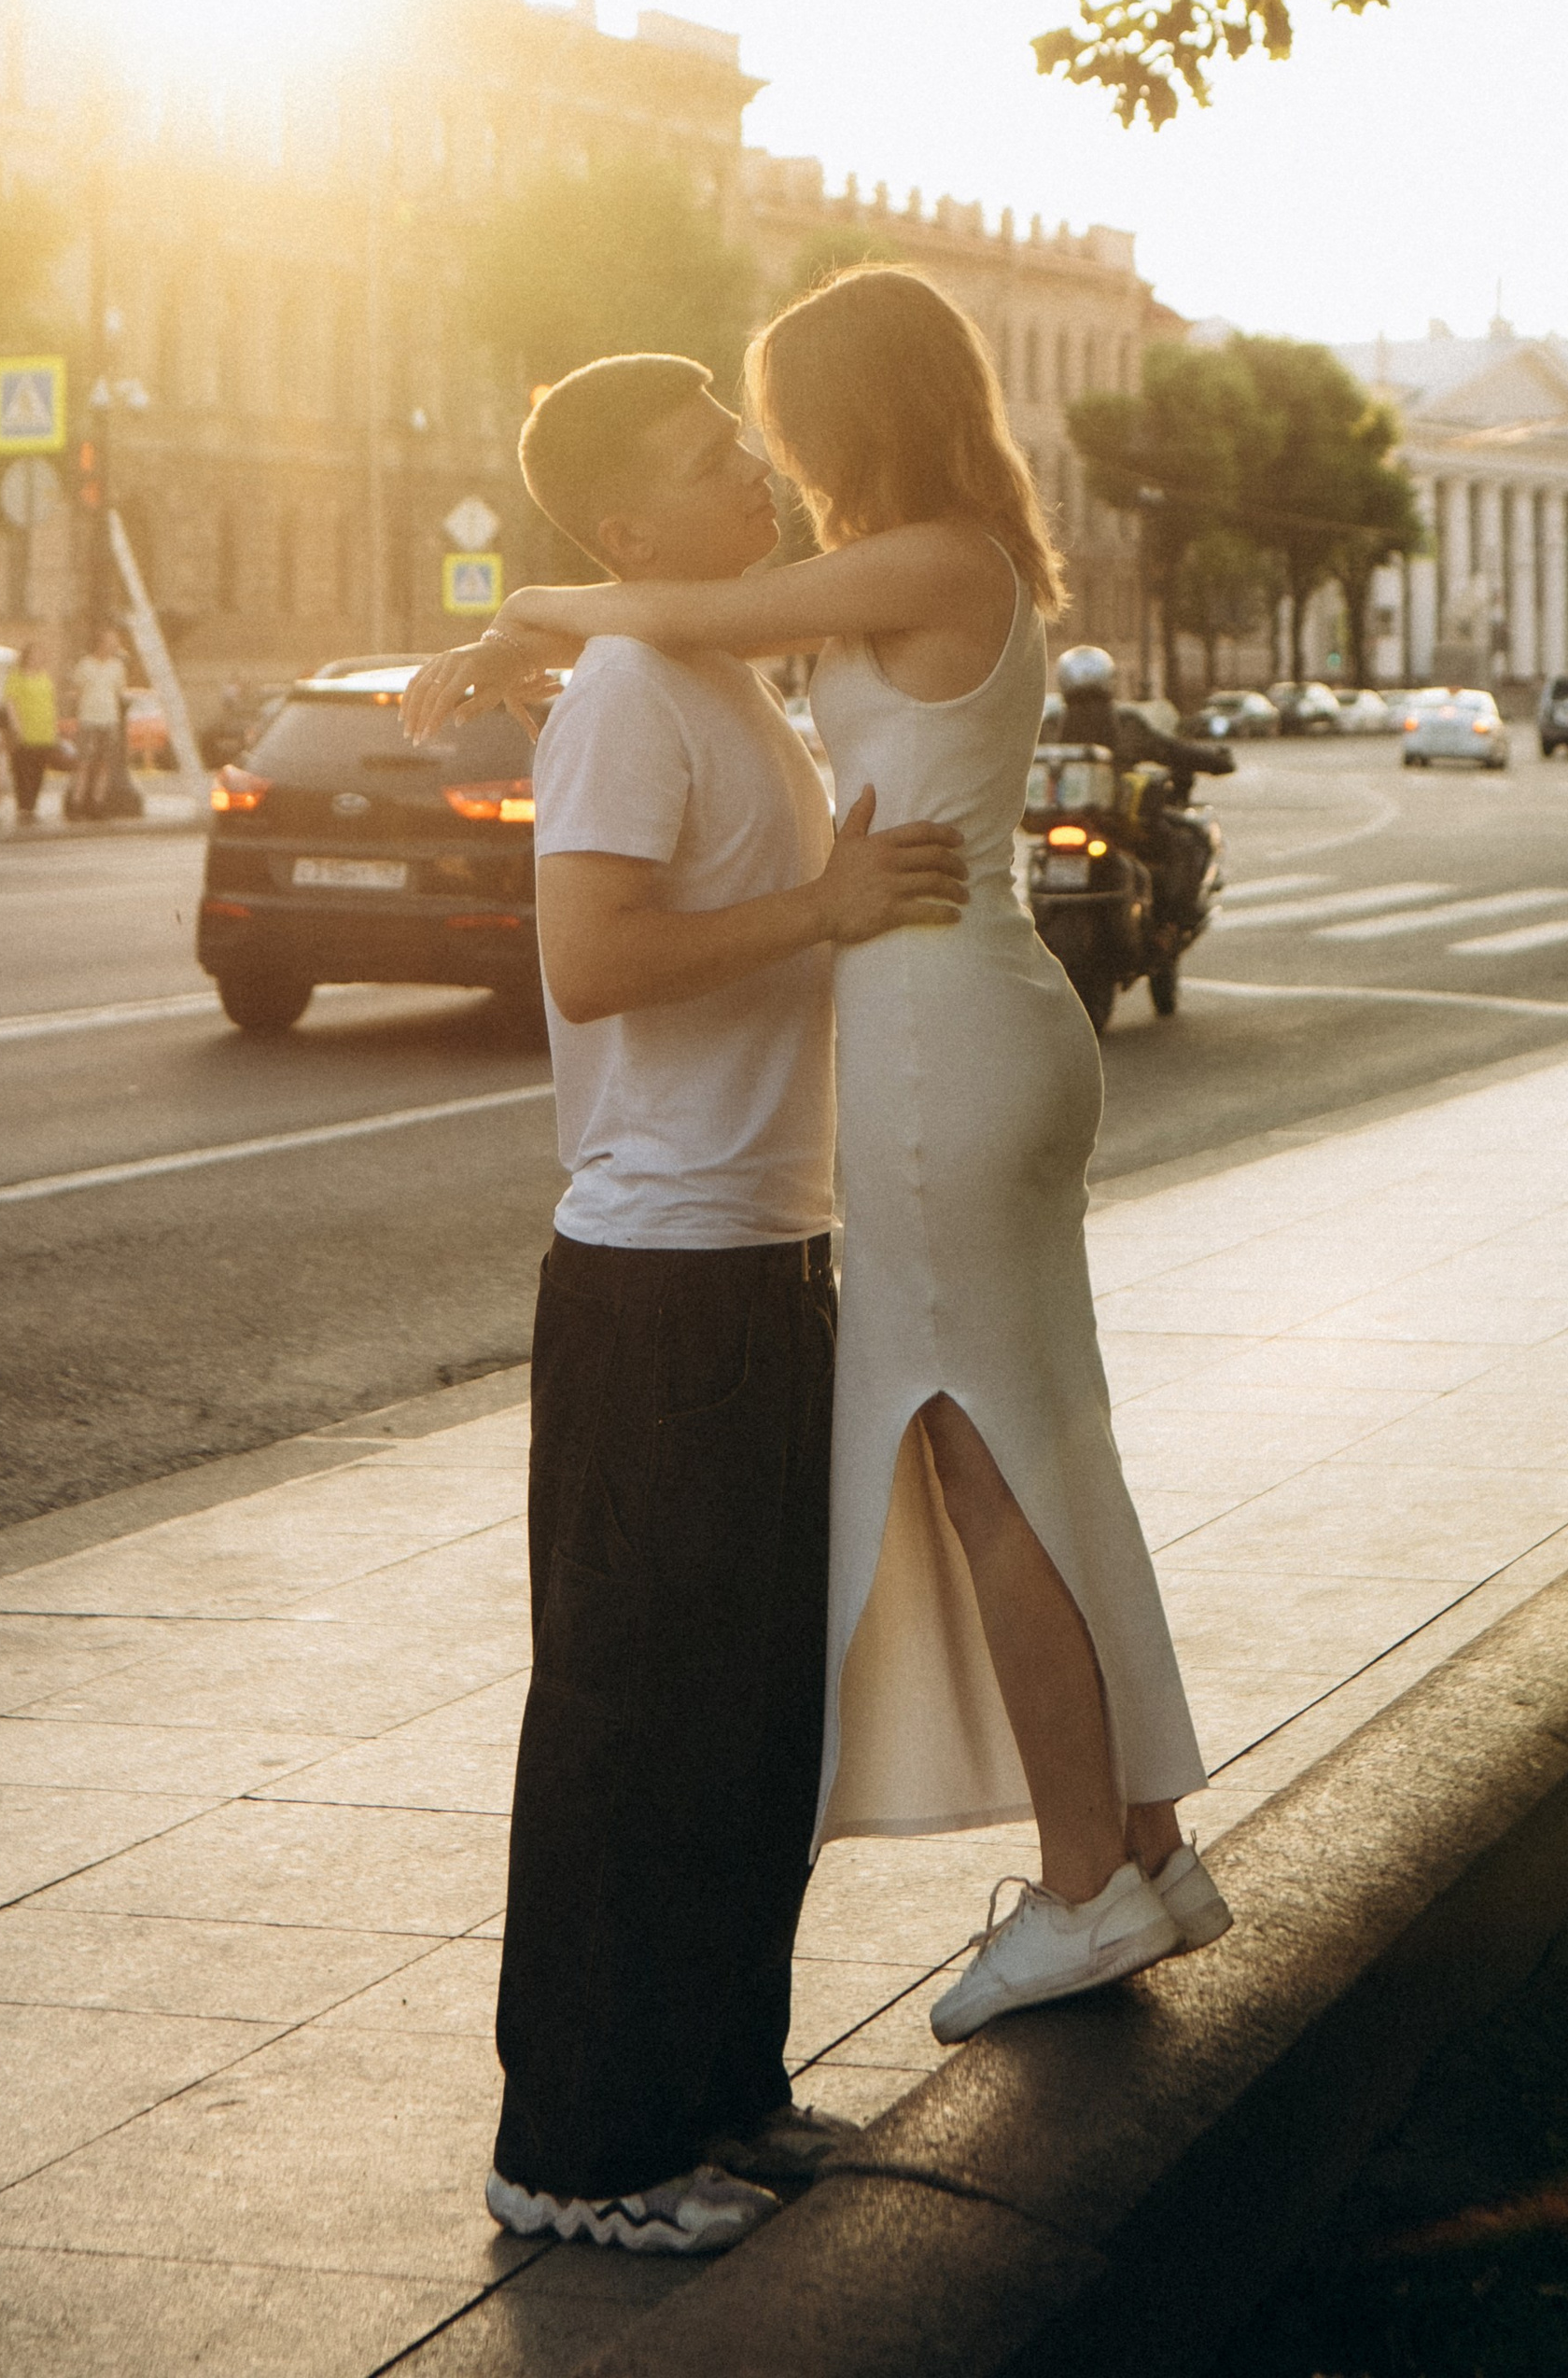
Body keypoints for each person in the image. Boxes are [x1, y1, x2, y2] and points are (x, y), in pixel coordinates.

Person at [409, 267, 1228, 2070]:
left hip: (945, 1040)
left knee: (982, 1457)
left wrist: (509, 606)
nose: (770, 453)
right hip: (974, 1026)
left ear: (855, 410)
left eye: (776, 420)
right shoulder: (943, 562)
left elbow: (697, 602)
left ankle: (1088, 1882)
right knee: (1041, 1446)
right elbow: (708, 645)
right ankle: (1147, 1853)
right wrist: (541, 648)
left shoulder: (926, 558)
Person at [410, 356, 971, 2259]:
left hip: (768, 1253)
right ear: (629, 531)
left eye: (745, 443)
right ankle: (570, 2152)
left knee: (749, 1718)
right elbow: (590, 956)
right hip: (656, 1279)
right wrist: (820, 913)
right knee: (631, 1723)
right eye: (704, 462)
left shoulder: (711, 669)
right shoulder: (638, 699)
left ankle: (718, 2086)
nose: (752, 471)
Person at [1051, 643, 1232, 942]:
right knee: (1182, 844)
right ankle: (1168, 927)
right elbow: (1171, 750)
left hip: (1057, 820)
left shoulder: (1049, 725)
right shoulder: (1125, 723)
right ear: (1108, 680)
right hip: (1117, 824)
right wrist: (1216, 759)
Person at [67, 625, 130, 818]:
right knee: (85, 761)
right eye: (110, 641)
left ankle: (98, 802)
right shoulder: (85, 665)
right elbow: (76, 691)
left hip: (109, 719)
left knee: (104, 763)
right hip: (89, 718)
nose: (114, 645)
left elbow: (120, 692)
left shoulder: (117, 667)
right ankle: (77, 802)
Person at [0, 639, 60, 822]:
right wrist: (15, 725)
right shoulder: (16, 676)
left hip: (44, 730)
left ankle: (32, 807)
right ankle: (23, 808)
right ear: (26, 656)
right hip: (25, 730)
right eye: (33, 654)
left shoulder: (44, 676)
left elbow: (51, 702)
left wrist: (55, 724)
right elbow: (10, 702)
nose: (37, 658)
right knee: (23, 770)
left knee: (38, 770)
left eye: (40, 654)